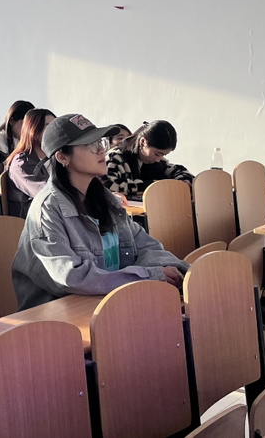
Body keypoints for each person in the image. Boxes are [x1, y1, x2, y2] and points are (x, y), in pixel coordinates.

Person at [12, 114, 190, 310]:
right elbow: (71, 277)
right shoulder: (47, 210)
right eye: (89, 145)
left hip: (109, 304)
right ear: (62, 157)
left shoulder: (106, 201)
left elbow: (148, 246)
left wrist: (185, 272)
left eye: (100, 142)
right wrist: (148, 275)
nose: (101, 150)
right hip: (59, 314)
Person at [104, 120, 194, 198]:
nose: (158, 160)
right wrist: (152, 186)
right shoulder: (114, 158)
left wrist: (184, 181)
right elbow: (109, 184)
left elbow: (178, 170)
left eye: (163, 155)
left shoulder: (157, 162)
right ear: (143, 142)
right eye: (157, 154)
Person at [4, 108, 56, 218]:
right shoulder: (21, 164)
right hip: (34, 221)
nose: (54, 132)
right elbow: (48, 196)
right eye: (48, 127)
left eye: (55, 126)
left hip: (55, 216)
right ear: (33, 131)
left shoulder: (57, 156)